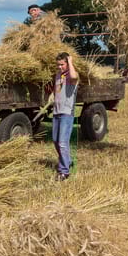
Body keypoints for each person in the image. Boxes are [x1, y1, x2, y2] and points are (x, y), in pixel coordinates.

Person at [53, 52, 78, 181]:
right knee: (56, 142)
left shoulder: (72, 75)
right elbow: (57, 91)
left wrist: (71, 62)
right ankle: (67, 161)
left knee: (63, 142)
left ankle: (64, 172)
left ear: (67, 63)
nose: (60, 67)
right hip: (56, 112)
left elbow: (73, 77)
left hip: (67, 112)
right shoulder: (58, 75)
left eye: (62, 64)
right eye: (58, 65)